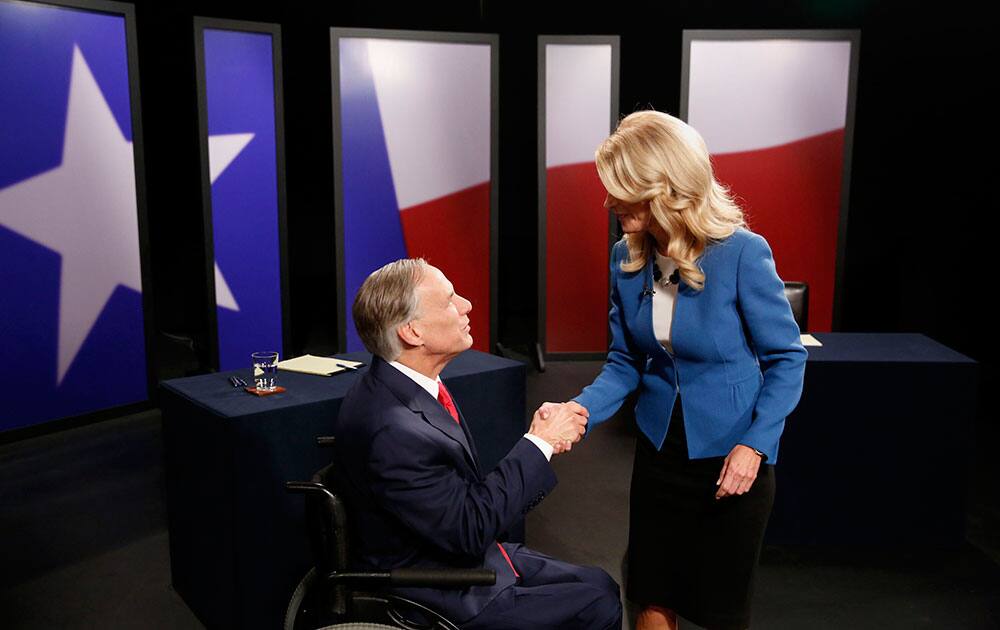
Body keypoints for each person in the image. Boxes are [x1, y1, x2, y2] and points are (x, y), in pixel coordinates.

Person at [540, 110, 807, 630]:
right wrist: (578, 409)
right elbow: (624, 363)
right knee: (651, 589)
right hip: (660, 455)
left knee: (718, 609)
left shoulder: (742, 253)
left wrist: (755, 445)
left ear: (662, 186)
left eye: (619, 187)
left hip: (732, 461)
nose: (608, 200)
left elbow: (786, 358)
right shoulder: (627, 257)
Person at [334, 258, 623, 630]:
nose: (467, 306)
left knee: (599, 583)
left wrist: (539, 441)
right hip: (436, 587)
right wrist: (541, 442)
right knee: (597, 604)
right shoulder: (394, 428)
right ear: (413, 332)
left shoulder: (406, 385)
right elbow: (468, 531)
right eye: (450, 299)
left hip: (464, 555)